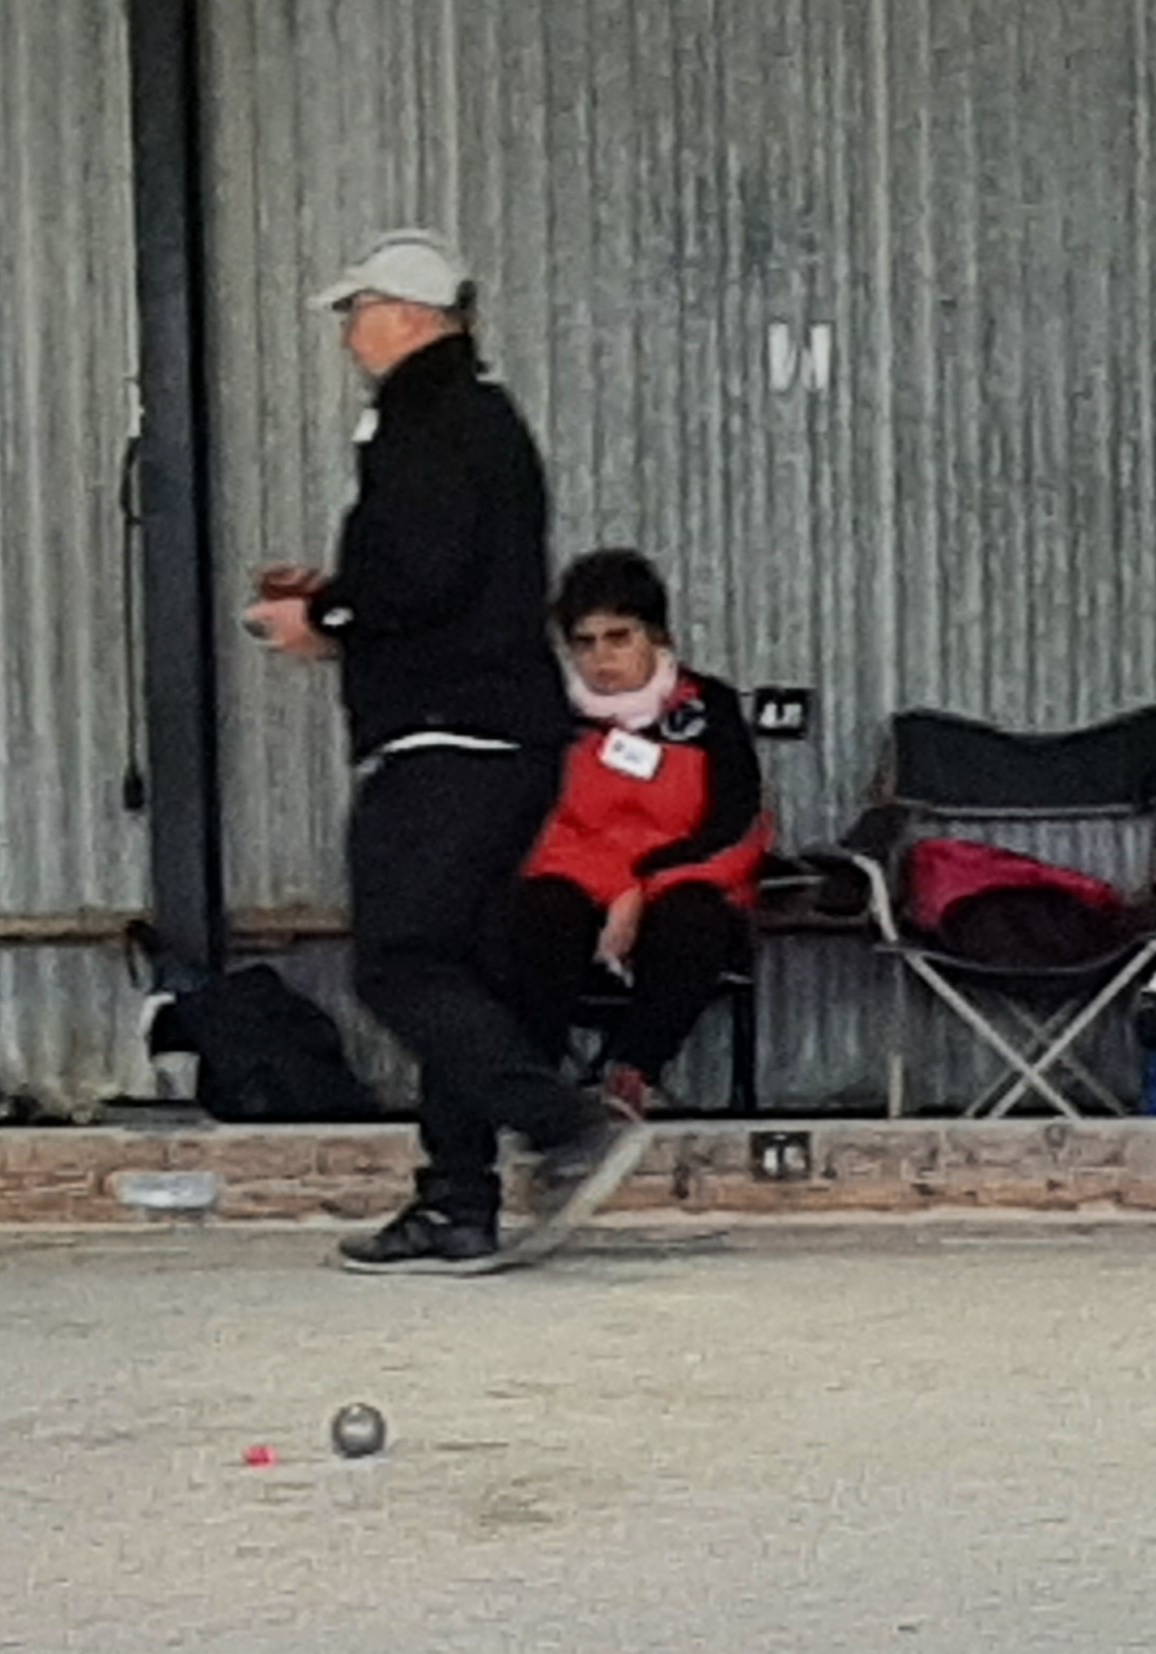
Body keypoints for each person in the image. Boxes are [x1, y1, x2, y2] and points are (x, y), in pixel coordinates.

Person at [242, 230, 642, 1273]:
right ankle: (455, 1200)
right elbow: (447, 572)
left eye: (357, 313)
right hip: (500, 735)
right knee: (458, 968)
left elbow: (421, 574)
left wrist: (325, 614)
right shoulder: (477, 416)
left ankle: (562, 1122)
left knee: (401, 963)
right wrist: (339, 599)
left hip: (448, 738)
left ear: (411, 317)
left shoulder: (425, 419)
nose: (348, 335)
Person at [495, 549, 774, 1114]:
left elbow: (739, 822)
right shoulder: (546, 717)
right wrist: (617, 888)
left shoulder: (710, 708)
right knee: (537, 912)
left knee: (693, 920)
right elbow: (530, 825)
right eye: (584, 643)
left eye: (618, 637)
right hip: (576, 881)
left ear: (658, 636)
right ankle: (533, 1087)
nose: (601, 658)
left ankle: (633, 1074)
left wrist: (644, 888)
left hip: (682, 885)